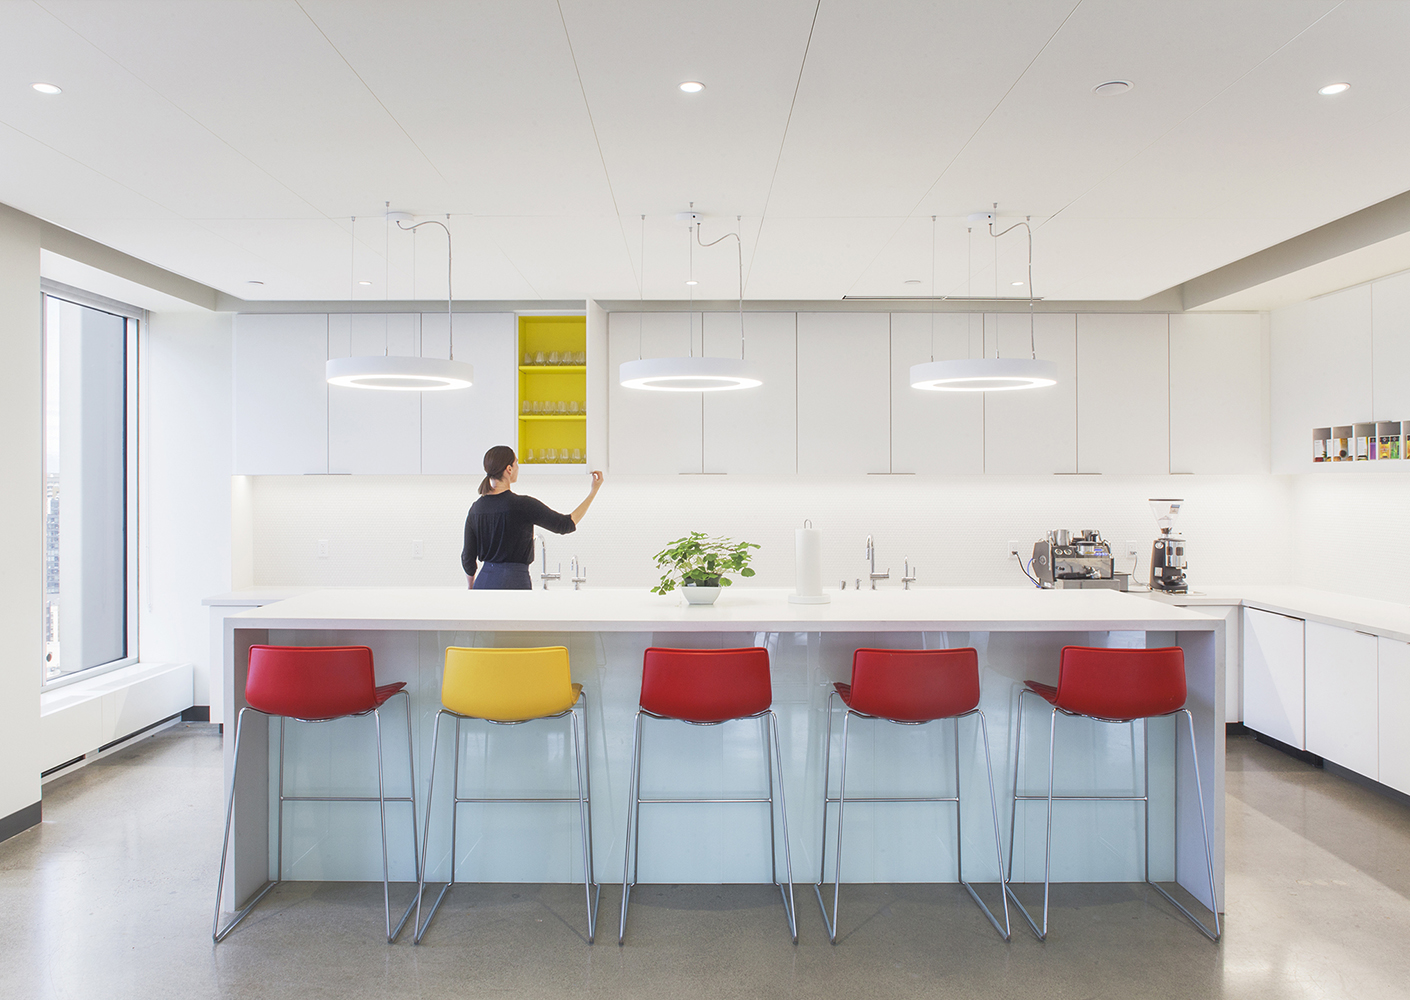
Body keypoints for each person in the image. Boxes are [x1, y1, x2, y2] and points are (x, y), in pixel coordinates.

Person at [462, 445, 604, 590]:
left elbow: (467, 558)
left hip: (484, 582)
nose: (518, 467)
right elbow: (565, 524)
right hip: (514, 582)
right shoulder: (522, 505)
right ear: (509, 469)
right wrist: (594, 491)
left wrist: (472, 586)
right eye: (516, 463)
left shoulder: (475, 509)